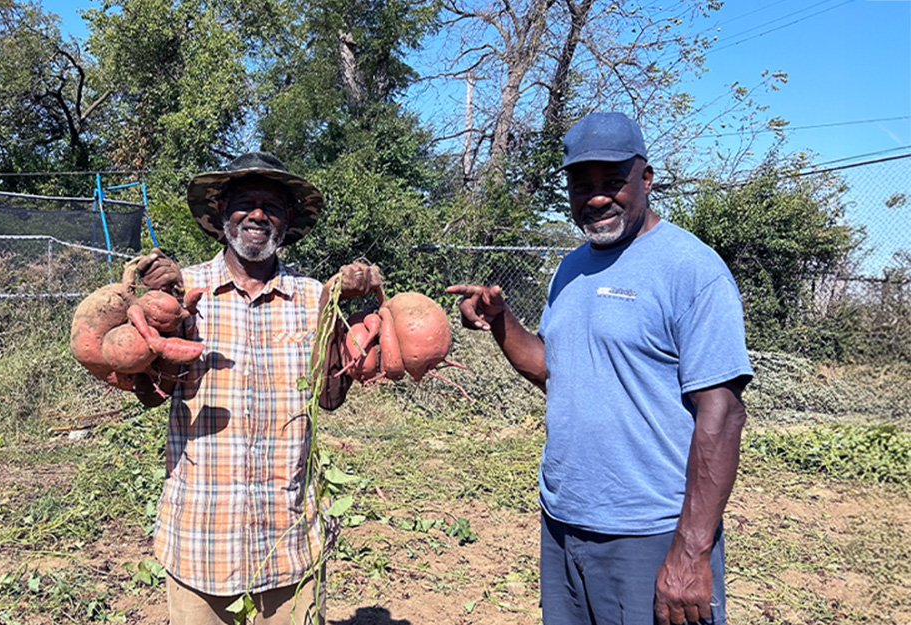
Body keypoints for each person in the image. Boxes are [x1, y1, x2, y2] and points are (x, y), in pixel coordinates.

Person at [448, 112, 753, 625]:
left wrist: (691, 550)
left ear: (647, 179)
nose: (595, 197)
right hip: (565, 521)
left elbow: (721, 414)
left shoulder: (691, 269)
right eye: (581, 184)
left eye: (613, 182)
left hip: (650, 532)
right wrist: (502, 323)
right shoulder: (571, 268)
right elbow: (554, 368)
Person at [134, 152, 381, 625]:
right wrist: (150, 319)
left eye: (273, 206)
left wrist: (337, 309)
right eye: (245, 202)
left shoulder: (314, 297)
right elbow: (150, 393)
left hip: (288, 540)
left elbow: (328, 398)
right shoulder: (183, 290)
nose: (258, 215)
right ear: (223, 211)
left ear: (287, 221)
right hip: (200, 537)